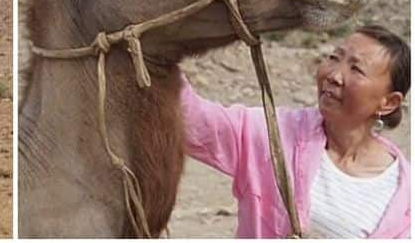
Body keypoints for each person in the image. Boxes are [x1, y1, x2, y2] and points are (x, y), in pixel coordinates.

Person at [175, 24, 410, 238]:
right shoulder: (275, 134)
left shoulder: (404, 196)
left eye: (356, 69)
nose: (334, 75)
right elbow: (191, 118)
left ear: (388, 102)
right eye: (333, 58)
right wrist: (159, 50)